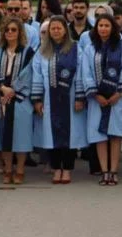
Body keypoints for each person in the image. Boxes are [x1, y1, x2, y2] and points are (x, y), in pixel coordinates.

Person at [82, 13, 122, 185]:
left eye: (106, 25)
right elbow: (86, 72)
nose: (103, 29)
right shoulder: (91, 48)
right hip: (97, 100)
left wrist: (118, 93)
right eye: (100, 26)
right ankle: (104, 171)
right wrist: (95, 94)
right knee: (100, 136)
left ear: (112, 28)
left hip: (117, 99)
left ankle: (114, 171)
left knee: (115, 135)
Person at [32, 16, 86, 184]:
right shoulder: (42, 51)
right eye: (52, 28)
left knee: (70, 136)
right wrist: (37, 99)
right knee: (51, 136)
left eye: (59, 28)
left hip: (70, 99)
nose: (55, 31)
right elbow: (37, 76)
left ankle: (67, 169)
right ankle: (56, 169)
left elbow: (81, 74)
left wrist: (79, 97)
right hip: (49, 99)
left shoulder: (76, 49)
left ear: (65, 30)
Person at [0, 16, 35, 184]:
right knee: (3, 135)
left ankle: (20, 169)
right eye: (6, 30)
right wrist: (2, 88)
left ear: (19, 32)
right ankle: (8, 169)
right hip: (1, 98)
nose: (10, 33)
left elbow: (28, 74)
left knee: (21, 135)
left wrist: (13, 90)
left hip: (20, 99)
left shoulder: (28, 51)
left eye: (13, 30)